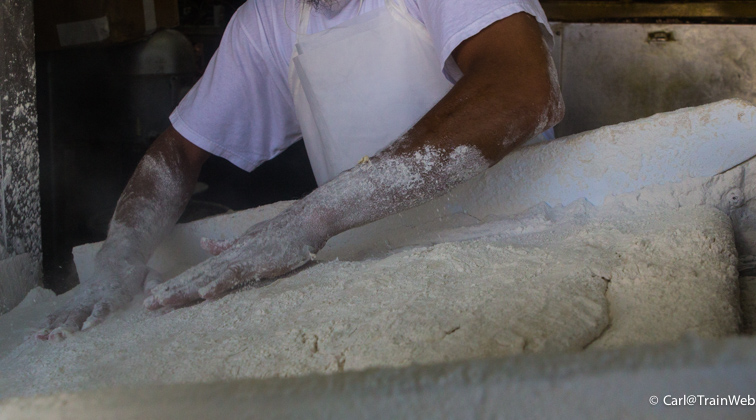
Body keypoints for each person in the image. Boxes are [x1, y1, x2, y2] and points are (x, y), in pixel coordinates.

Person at [38, 0, 564, 340]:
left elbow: (524, 90)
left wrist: (313, 218)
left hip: (513, 241)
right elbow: (179, 152)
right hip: (375, 271)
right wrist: (120, 256)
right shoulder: (268, 19)